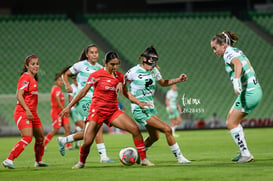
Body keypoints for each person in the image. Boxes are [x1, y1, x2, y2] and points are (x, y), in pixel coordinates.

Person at [60, 51, 154, 169]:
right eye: (112, 64)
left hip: (112, 112)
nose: (115, 67)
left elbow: (126, 93)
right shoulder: (96, 75)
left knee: (134, 129)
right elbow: (83, 91)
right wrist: (68, 106)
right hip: (97, 112)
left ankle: (144, 159)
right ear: (105, 63)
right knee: (87, 141)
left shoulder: (120, 76)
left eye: (117, 64)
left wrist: (138, 102)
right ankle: (81, 163)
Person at [125, 46, 191, 164]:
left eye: (154, 62)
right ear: (144, 59)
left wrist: (178, 79)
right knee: (167, 129)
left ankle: (137, 156)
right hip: (139, 109)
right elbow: (122, 87)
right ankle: (180, 158)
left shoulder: (154, 71)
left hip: (151, 108)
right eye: (151, 61)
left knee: (155, 137)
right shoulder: (133, 72)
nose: (153, 65)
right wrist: (136, 101)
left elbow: (163, 83)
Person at [210, 31, 263, 163]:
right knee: (231, 119)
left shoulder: (228, 53)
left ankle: (246, 154)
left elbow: (238, 64)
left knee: (231, 122)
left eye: (215, 48)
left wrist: (236, 80)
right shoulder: (235, 50)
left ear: (223, 45)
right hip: (253, 90)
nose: (214, 51)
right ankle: (243, 151)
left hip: (250, 92)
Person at [57, 44, 113, 163]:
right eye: (91, 52)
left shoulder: (99, 68)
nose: (94, 55)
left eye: (96, 52)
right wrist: (67, 84)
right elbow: (66, 73)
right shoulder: (80, 65)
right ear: (87, 54)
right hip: (84, 100)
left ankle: (64, 140)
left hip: (96, 101)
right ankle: (103, 157)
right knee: (96, 126)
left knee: (90, 131)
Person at [2, 55, 48, 169]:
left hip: (32, 113)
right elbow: (19, 95)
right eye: (33, 64)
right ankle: (9, 160)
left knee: (40, 137)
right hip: (23, 112)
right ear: (27, 66)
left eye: (37, 64)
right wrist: (27, 110)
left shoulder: (33, 79)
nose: (36, 66)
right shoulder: (25, 77)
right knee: (27, 137)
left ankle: (38, 161)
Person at [44, 73, 72, 149]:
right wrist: (64, 110)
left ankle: (68, 145)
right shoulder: (55, 88)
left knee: (67, 127)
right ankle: (43, 144)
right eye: (59, 80)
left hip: (61, 112)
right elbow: (58, 101)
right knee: (56, 129)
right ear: (55, 81)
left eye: (62, 80)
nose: (61, 82)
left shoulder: (59, 90)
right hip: (56, 112)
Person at [68, 75, 83, 148]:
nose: (76, 81)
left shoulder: (80, 85)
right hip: (74, 109)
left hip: (80, 108)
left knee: (79, 127)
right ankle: (72, 134)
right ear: (73, 80)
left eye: (77, 80)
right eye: (74, 80)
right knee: (82, 126)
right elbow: (70, 98)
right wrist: (72, 107)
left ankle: (77, 143)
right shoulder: (72, 87)